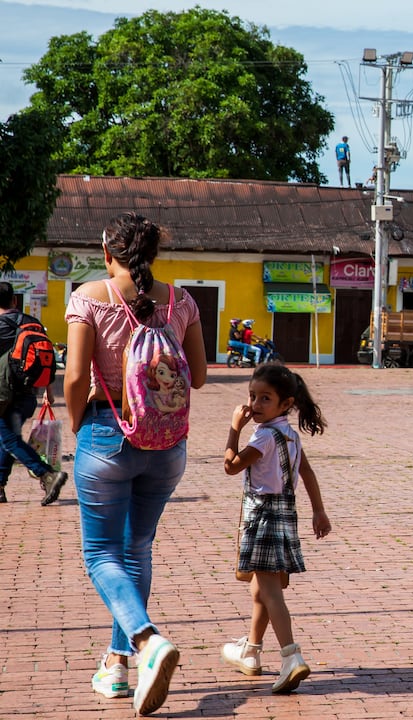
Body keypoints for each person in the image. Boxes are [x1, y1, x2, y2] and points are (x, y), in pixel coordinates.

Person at [63, 211, 207, 714]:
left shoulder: (89, 298)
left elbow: (76, 377)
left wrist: (81, 425)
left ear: (107, 255)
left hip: (107, 432)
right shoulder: (181, 299)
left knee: (101, 554)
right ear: (153, 256)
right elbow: (201, 376)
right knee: (137, 549)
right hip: (167, 444)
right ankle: (117, 665)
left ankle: (147, 641)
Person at [222, 363, 331, 694]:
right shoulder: (290, 434)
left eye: (264, 398)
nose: (255, 405)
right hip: (284, 513)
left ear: (285, 404)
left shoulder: (264, 436)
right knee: (262, 589)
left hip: (263, 516)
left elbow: (231, 466)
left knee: (269, 590)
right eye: (252, 396)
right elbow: (307, 474)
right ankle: (252, 651)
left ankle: (290, 656)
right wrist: (319, 511)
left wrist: (234, 429)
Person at [0, 282, 67, 505]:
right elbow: (45, 357)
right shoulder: (32, 323)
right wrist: (49, 391)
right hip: (29, 394)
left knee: (8, 438)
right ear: (14, 301)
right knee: (8, 439)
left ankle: (47, 474)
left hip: (4, 396)